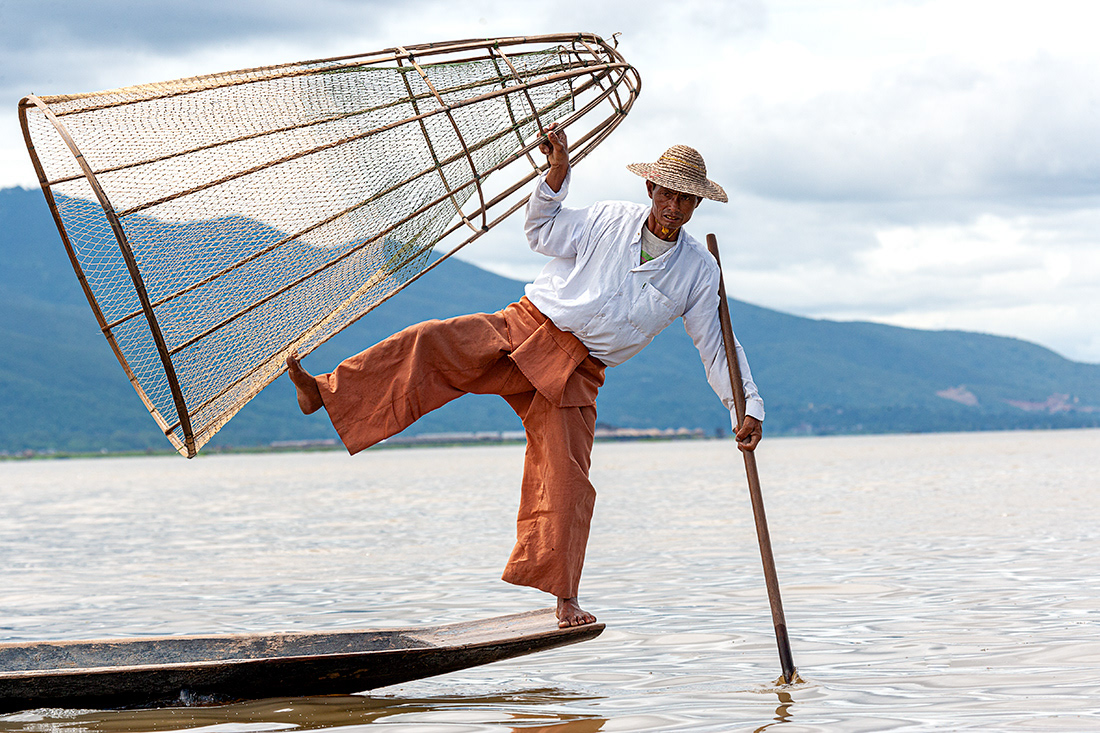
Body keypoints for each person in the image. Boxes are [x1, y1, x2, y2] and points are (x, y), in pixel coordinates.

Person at [287, 124, 764, 628]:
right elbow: (542, 232)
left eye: (686, 198)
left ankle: (563, 597)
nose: (674, 205)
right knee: (430, 341)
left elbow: (716, 345)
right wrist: (557, 174)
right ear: (651, 190)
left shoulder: (698, 269)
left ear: (696, 207)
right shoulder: (608, 217)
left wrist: (745, 407)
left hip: (579, 369)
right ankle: (325, 392)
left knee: (567, 481)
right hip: (527, 326)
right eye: (668, 192)